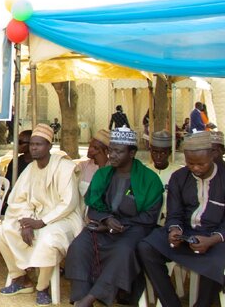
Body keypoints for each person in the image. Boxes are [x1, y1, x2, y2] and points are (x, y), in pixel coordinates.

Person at [65, 128, 163, 307]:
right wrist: (106, 220)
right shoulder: (103, 174)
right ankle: (80, 296)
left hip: (134, 229)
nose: (112, 155)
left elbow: (149, 217)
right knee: (79, 246)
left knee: (123, 251)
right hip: (104, 226)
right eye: (111, 150)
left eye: (118, 151)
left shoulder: (150, 180)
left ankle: (90, 298)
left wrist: (119, 224)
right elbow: (93, 206)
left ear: (132, 153)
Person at [0, 124, 82, 305]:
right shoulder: (30, 168)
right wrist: (27, 222)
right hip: (36, 217)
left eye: (39, 144)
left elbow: (68, 203)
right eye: (32, 144)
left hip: (63, 219)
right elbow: (18, 200)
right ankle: (21, 279)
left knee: (49, 239)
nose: (34, 147)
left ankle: (43, 288)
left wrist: (42, 222)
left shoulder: (64, 167)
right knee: (2, 231)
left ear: (50, 146)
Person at [137, 131, 225, 307]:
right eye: (190, 163)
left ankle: (202, 304)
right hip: (186, 233)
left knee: (218, 258)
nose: (196, 168)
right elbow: (174, 214)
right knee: (146, 247)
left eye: (201, 163)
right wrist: (174, 230)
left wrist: (212, 239)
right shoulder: (179, 177)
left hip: (216, 237)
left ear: (212, 156)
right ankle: (171, 303)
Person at [147, 130, 180, 225]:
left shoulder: (177, 173)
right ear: (150, 151)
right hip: (147, 219)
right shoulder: (145, 172)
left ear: (169, 152)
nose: (158, 156)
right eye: (155, 152)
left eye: (163, 153)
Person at [1, 129, 33, 214]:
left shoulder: (39, 163)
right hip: (15, 200)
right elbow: (8, 184)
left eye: (20, 142)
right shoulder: (16, 161)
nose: (17, 145)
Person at [76, 129, 110, 197]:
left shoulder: (112, 169)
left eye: (95, 148)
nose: (90, 149)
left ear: (106, 152)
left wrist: (102, 165)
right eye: (90, 145)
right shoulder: (83, 165)